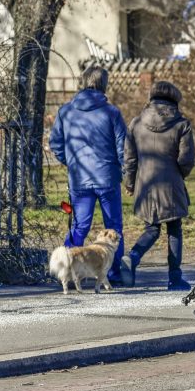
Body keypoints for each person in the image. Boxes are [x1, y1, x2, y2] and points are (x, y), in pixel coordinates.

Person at [49, 66, 127, 284]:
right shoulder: (111, 112)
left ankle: (67, 270)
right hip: (107, 177)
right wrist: (124, 172)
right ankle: (112, 273)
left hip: (79, 178)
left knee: (79, 226)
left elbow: (55, 143)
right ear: (104, 84)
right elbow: (123, 147)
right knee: (114, 226)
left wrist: (71, 162)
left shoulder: (66, 111)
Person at [120, 81, 195, 290]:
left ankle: (133, 257)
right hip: (170, 184)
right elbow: (186, 160)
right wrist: (179, 176)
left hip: (145, 185)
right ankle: (174, 277)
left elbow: (130, 159)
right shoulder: (182, 125)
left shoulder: (135, 123)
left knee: (152, 228)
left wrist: (130, 183)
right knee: (174, 229)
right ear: (175, 100)